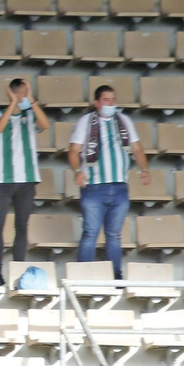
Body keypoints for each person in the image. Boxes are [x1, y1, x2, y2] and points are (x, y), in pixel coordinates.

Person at [69, 86, 151, 278]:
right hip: (94, 187)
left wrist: (144, 169)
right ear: (96, 103)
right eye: (106, 100)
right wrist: (77, 171)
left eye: (113, 99)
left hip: (120, 187)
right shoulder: (86, 122)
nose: (111, 103)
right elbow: (73, 150)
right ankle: (83, 276)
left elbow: (138, 149)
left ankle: (116, 276)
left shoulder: (124, 120)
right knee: (90, 233)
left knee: (114, 236)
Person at [0, 78, 49, 277]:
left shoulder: (31, 115)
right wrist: (13, 103)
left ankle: (18, 271)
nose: (24, 96)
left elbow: (45, 124)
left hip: (27, 179)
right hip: (2, 180)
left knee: (21, 226)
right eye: (22, 92)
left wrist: (31, 100)